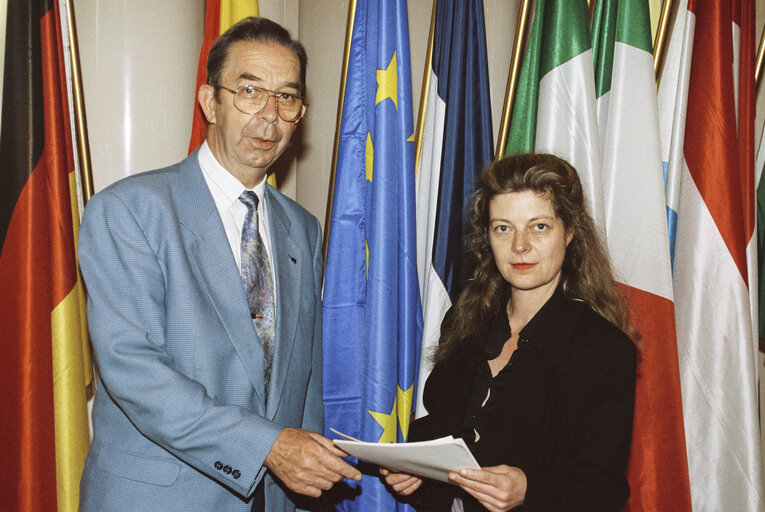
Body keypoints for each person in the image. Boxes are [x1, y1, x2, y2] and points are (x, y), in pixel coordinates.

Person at [77, 17, 360, 512]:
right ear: (211, 102)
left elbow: (304, 383)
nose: (268, 116)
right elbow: (134, 370)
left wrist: (307, 479)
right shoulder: (130, 210)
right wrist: (266, 447)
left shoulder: (303, 228)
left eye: (287, 98)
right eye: (249, 91)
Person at [382, 153, 638, 511]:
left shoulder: (605, 350)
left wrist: (528, 490)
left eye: (539, 227)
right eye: (503, 227)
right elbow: (442, 429)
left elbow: (602, 488)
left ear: (570, 232)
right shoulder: (465, 321)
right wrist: (413, 468)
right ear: (487, 235)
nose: (520, 246)